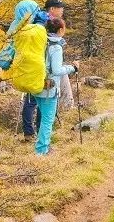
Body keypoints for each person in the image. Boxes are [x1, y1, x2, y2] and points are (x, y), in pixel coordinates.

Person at [21, 0, 67, 141]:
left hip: (35, 67)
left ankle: (32, 133)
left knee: (33, 99)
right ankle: (33, 133)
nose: (62, 10)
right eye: (60, 7)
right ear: (52, 9)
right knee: (33, 100)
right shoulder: (42, 23)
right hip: (41, 69)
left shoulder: (40, 22)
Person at [34, 17, 78, 155]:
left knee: (44, 118)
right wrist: (72, 68)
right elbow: (57, 70)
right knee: (48, 120)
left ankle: (43, 147)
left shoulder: (41, 43)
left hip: (36, 85)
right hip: (50, 89)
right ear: (60, 30)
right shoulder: (56, 47)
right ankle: (42, 151)